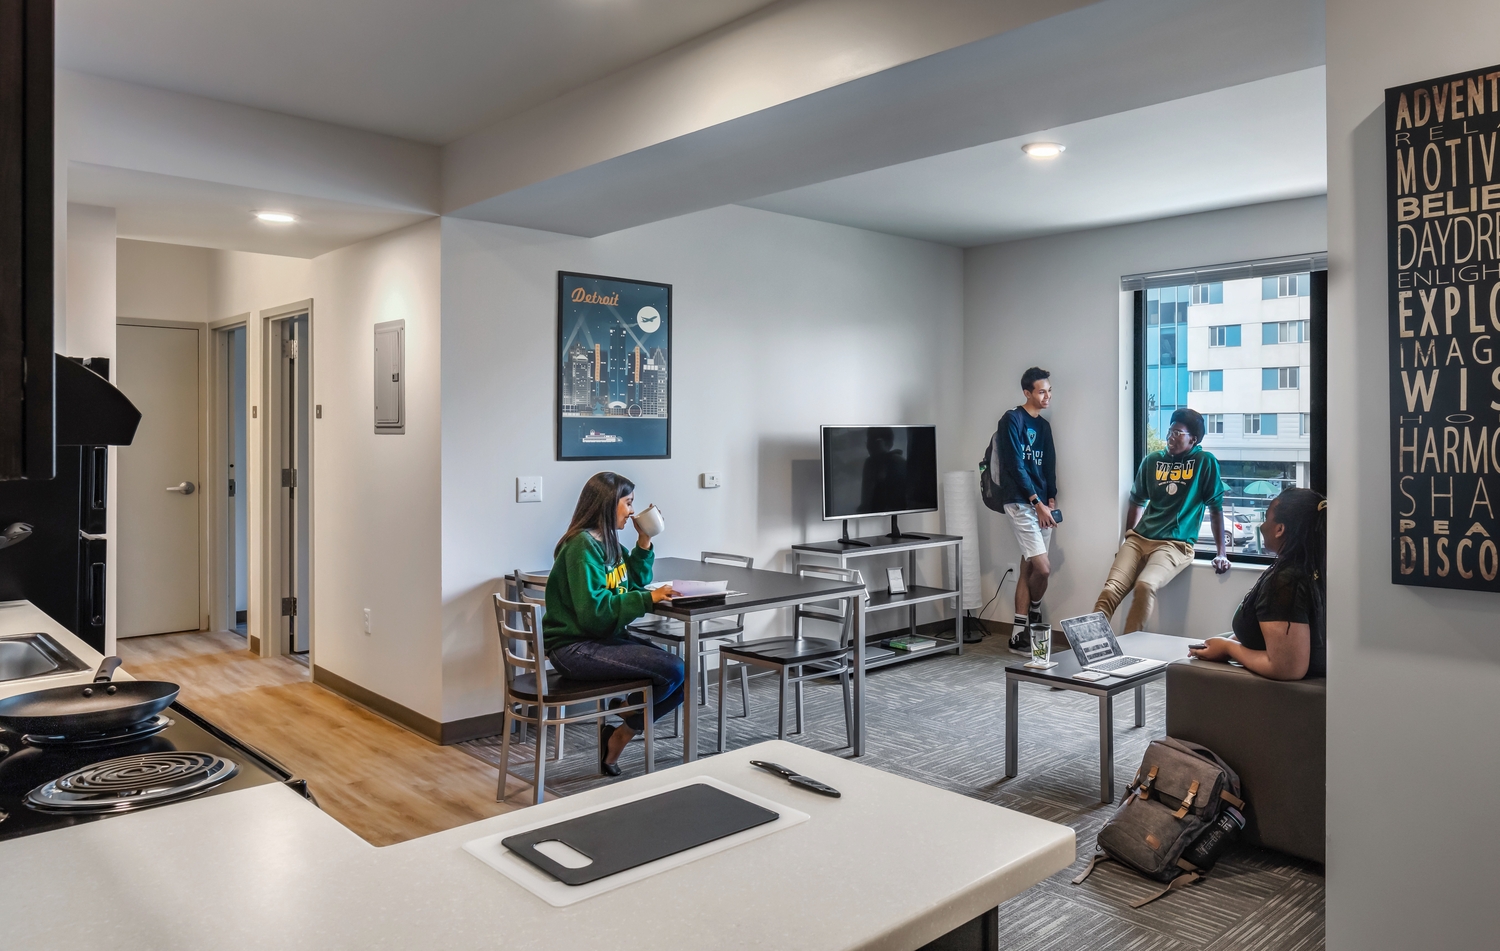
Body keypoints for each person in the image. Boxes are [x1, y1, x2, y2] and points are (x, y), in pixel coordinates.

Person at [543, 471, 684, 776]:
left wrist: (644, 541)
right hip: (574, 648)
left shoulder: (607, 542)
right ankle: (626, 718)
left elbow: (634, 581)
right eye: (628, 503)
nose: (632, 511)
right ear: (608, 504)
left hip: (600, 640)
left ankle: (622, 728)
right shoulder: (581, 547)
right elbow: (594, 614)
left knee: (681, 677)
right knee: (673, 670)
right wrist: (648, 600)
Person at [1094, 408, 1230, 634]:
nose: (1170, 437)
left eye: (1178, 432)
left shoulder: (1204, 462)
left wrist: (1221, 553)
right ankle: (1088, 645)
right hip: (1138, 540)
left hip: (1174, 545)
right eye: (1170, 431)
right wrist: (1128, 537)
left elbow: (1215, 509)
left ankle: (1129, 647)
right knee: (1110, 591)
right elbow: (1137, 502)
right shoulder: (1152, 460)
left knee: (1145, 585)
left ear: (1193, 439)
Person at [1189, 488, 1326, 680]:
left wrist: (1229, 648)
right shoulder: (1319, 569)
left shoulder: (1286, 583)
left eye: (1267, 519)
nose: (1261, 527)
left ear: (1280, 529)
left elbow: (1287, 668)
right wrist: (1229, 642)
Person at [989, 367, 1059, 654]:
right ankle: (1034, 611)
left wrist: (1051, 499)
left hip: (1043, 503)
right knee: (1043, 568)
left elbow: (1049, 464)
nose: (1047, 396)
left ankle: (1018, 634)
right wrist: (1037, 502)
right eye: (1041, 391)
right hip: (1021, 501)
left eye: (1049, 391)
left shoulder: (1043, 426)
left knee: (1029, 565)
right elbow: (1015, 464)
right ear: (1027, 392)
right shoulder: (1011, 420)